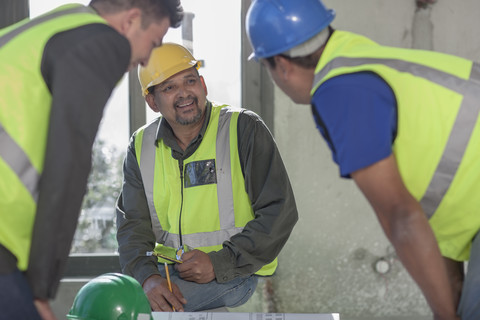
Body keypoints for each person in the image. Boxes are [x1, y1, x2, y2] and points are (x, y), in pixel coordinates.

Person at [246, 0, 480, 320]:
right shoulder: (351, 52)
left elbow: (401, 217)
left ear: (281, 65)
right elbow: (421, 220)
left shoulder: (340, 91)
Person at [0, 1, 183, 319]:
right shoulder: (102, 41)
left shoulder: (52, 27)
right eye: (153, 43)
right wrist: (40, 289)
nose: (145, 58)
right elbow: (68, 166)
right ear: (131, 20)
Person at [116, 42, 298, 312]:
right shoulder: (141, 145)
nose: (184, 93)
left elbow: (280, 211)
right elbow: (133, 224)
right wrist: (148, 277)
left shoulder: (242, 129)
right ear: (152, 101)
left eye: (190, 80)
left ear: (202, 84)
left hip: (235, 272)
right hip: (167, 273)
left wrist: (219, 262)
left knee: (137, 311)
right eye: (169, 87)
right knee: (104, 297)